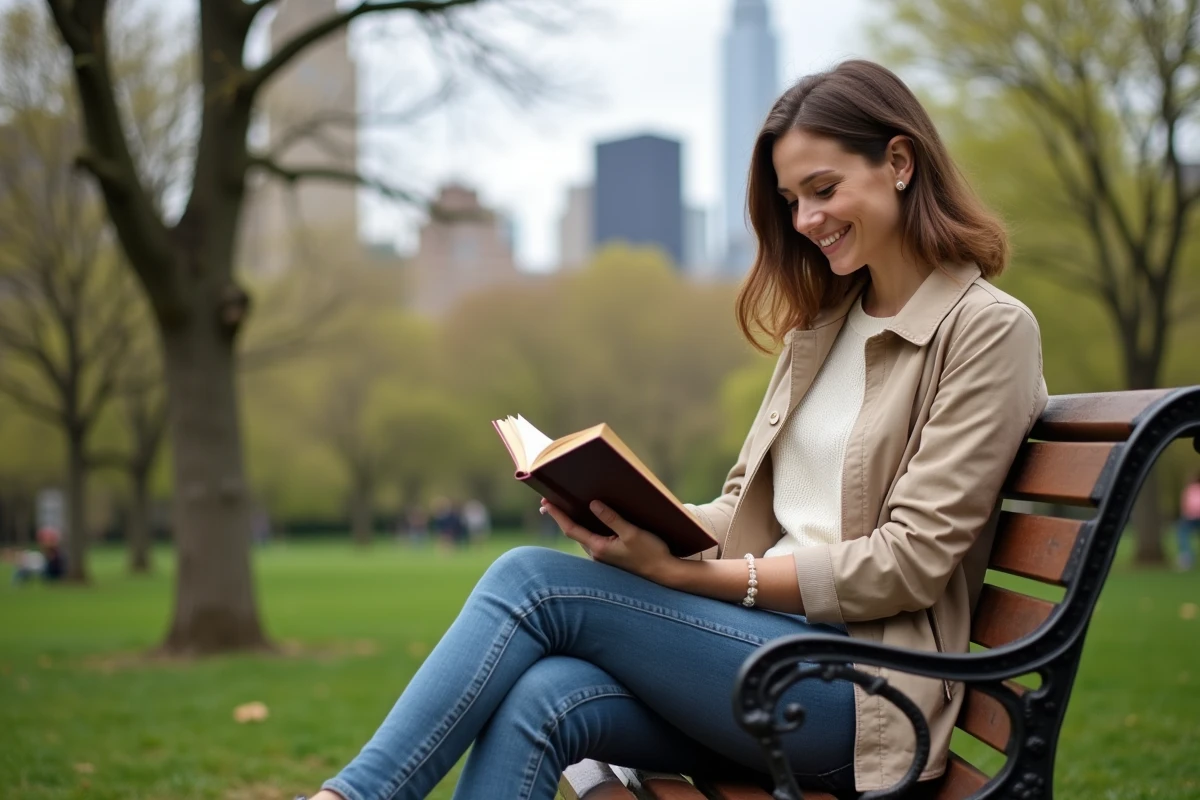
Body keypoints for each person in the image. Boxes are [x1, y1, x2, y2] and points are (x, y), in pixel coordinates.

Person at [299, 60, 1046, 800]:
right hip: (763, 658)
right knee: (544, 697)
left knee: (529, 583)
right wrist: (631, 519)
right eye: (790, 200)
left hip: (861, 695)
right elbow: (747, 511)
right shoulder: (821, 331)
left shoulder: (985, 331)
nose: (805, 220)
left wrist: (694, 576)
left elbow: (909, 562)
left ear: (899, 161)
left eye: (823, 190)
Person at [1175, 471, 1200, 570]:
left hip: (1190, 517)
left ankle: (1187, 557)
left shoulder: (1189, 489)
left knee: (1182, 534)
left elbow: (1184, 505)